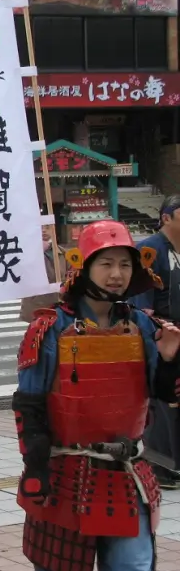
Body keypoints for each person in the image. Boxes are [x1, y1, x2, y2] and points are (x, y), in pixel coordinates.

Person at [15, 219, 178, 571]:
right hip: (67, 468)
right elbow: (30, 402)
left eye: (124, 264)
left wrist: (172, 359)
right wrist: (35, 464)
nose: (117, 274)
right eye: (106, 263)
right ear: (84, 268)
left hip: (126, 471)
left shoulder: (143, 325)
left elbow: (161, 392)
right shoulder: (49, 329)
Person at [132, 194, 180, 489]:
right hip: (162, 334)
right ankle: (162, 466)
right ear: (167, 217)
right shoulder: (150, 248)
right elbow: (141, 303)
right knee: (164, 403)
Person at [19, 221, 66, 323]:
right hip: (37, 305)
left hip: (59, 304)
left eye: (47, 227)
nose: (44, 230)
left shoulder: (63, 253)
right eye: (40, 227)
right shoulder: (25, 252)